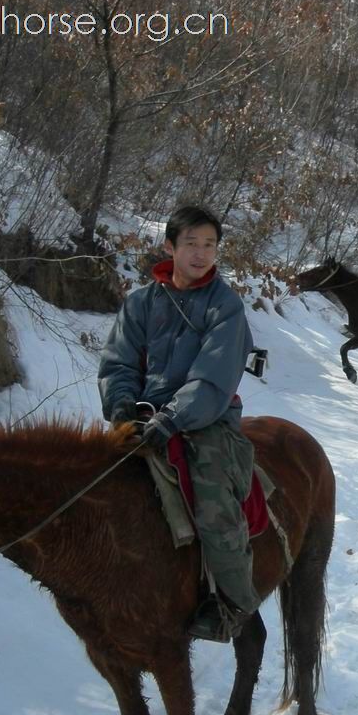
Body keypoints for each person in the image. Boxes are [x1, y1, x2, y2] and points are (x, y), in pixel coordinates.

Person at [98, 204, 260, 643]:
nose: (201, 253)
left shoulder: (225, 306)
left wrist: (172, 420)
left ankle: (233, 603)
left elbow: (214, 377)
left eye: (210, 245)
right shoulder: (140, 302)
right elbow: (119, 362)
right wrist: (121, 408)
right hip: (144, 415)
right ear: (170, 246)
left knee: (213, 501)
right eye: (191, 243)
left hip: (204, 419)